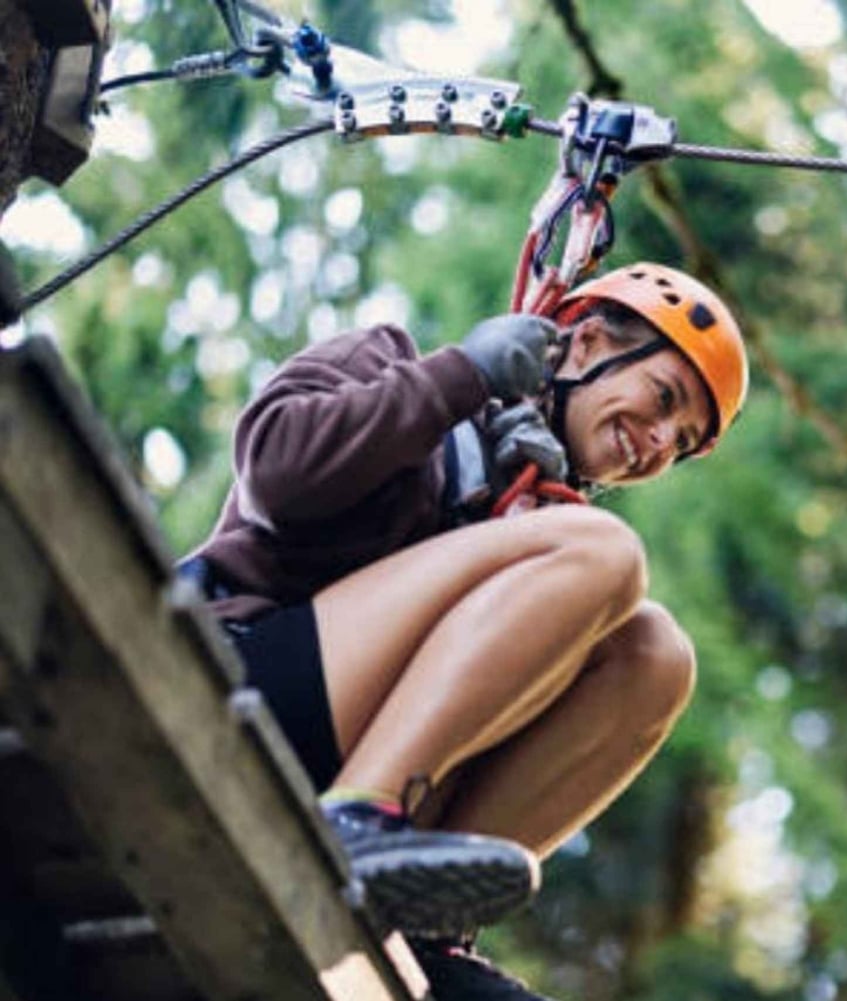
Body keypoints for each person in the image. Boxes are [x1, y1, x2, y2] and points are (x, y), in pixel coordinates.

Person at [178, 263, 748, 999]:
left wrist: (511, 519)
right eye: (664, 399)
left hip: (353, 764)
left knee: (656, 652)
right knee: (605, 551)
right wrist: (463, 379)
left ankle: (422, 920)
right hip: (249, 685)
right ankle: (361, 819)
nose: (661, 440)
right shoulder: (392, 363)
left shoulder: (544, 539)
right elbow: (276, 472)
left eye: (682, 441)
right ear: (587, 343)